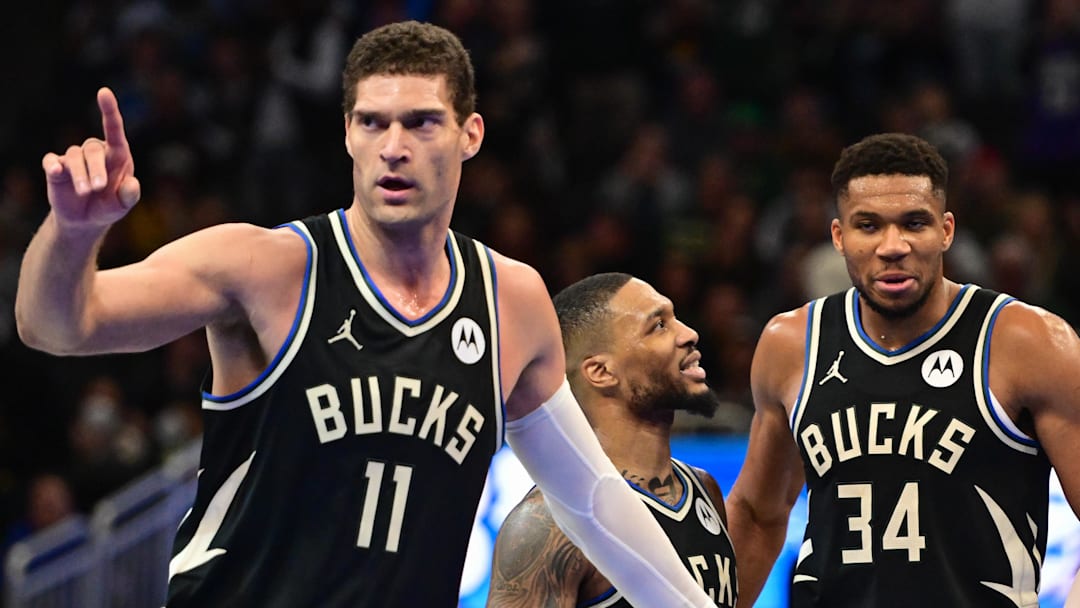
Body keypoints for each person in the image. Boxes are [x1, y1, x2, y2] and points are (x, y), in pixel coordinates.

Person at [15, 21, 716, 608]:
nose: (394, 147)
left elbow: (592, 500)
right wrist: (74, 233)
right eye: (372, 122)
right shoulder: (264, 268)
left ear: (470, 133)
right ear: (348, 132)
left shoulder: (511, 300)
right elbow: (55, 326)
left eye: (421, 123)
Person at [724, 132, 1080, 607]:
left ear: (947, 230)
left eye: (914, 223)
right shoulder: (791, 343)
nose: (893, 246)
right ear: (839, 237)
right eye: (868, 226)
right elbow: (757, 515)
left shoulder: (1027, 341)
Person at [487, 272, 737, 607]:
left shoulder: (703, 490)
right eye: (659, 326)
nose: (689, 334)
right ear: (601, 372)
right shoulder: (549, 523)